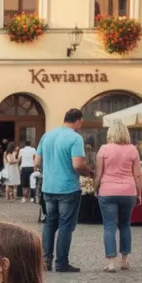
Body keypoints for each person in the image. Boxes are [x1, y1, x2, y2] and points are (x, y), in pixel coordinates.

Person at [35, 108, 91, 273]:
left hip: (48, 187)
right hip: (67, 188)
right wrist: (89, 173)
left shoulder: (47, 136)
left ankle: (45, 260)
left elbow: (37, 161)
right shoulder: (75, 138)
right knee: (66, 225)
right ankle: (61, 263)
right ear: (78, 120)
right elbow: (77, 164)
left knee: (50, 223)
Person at [95, 120, 142, 272]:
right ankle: (125, 260)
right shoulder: (133, 150)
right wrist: (139, 194)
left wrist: (96, 189)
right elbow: (138, 176)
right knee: (125, 225)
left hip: (107, 190)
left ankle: (111, 263)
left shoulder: (104, 149)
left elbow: (98, 173)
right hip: (128, 191)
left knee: (109, 226)